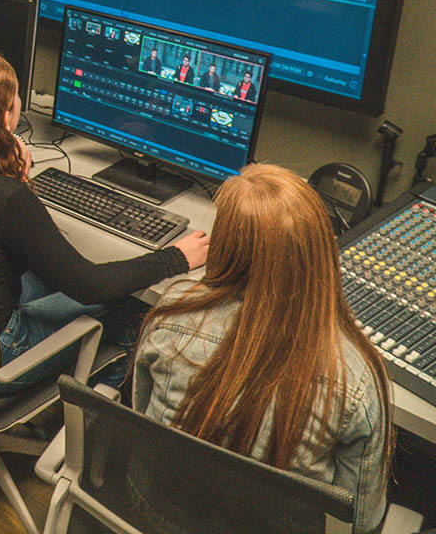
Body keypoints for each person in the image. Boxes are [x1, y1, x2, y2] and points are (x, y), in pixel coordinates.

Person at [0, 49, 208, 394]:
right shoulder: (4, 196)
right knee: (132, 306)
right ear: (5, 118)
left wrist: (12, 170)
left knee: (54, 275)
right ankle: (93, 410)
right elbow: (90, 286)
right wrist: (175, 258)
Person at [133, 163, 393, 534]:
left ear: (224, 245)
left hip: (156, 521)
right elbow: (360, 521)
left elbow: (142, 426)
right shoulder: (356, 377)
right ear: (320, 252)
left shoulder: (171, 313)